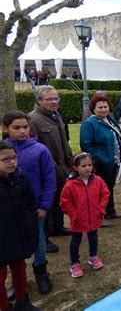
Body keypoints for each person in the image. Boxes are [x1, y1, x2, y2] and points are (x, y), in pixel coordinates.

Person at [2, 111, 56, 294]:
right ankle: (17, 281)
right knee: (12, 245)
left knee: (38, 241)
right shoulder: (3, 151)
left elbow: (49, 179)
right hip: (9, 209)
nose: (22, 131)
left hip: (34, 207)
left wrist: (44, 205)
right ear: (5, 128)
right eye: (16, 128)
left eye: (25, 127)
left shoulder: (40, 150)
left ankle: (41, 273)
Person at [29, 85, 73, 249]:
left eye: (56, 98)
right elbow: (35, 148)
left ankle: (57, 227)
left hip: (62, 167)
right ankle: (44, 238)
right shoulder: (33, 120)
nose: (54, 102)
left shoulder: (56, 116)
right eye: (49, 99)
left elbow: (63, 141)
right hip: (46, 170)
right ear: (39, 101)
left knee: (58, 201)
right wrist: (51, 167)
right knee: (46, 203)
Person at [0, 141, 41, 311]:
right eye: (5, 159)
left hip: (18, 234)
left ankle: (22, 301)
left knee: (19, 268)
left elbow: (30, 201)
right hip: (1, 238)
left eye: (14, 158)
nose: (12, 162)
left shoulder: (20, 177)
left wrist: (29, 219)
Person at [60, 152, 110, 278]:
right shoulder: (70, 185)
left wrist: (101, 209)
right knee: (75, 241)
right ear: (75, 168)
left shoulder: (98, 181)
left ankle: (93, 256)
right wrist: (73, 214)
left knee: (93, 237)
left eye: (89, 165)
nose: (87, 168)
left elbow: (105, 194)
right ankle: (75, 263)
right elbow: (65, 202)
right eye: (83, 166)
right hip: (78, 219)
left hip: (94, 216)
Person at [80, 94, 121, 221]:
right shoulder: (89, 123)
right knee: (99, 191)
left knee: (109, 188)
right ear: (93, 108)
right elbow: (86, 144)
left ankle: (110, 211)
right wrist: (98, 158)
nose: (103, 110)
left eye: (105, 107)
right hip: (100, 163)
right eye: (100, 107)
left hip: (113, 160)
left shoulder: (110, 119)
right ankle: (98, 216)